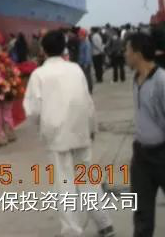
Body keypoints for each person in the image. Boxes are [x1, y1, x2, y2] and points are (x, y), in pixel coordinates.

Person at [23, 31, 115, 237]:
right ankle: (105, 224)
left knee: (64, 183)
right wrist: (92, 127)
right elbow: (87, 100)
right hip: (80, 130)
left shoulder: (39, 75)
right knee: (88, 179)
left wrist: (41, 128)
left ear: (43, 50)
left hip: (56, 134)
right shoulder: (75, 69)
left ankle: (72, 231)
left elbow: (33, 110)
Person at [125, 32, 165, 237]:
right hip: (141, 156)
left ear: (137, 54)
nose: (125, 54)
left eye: (127, 50)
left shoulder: (161, 81)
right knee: (141, 214)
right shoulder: (136, 79)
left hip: (162, 155)